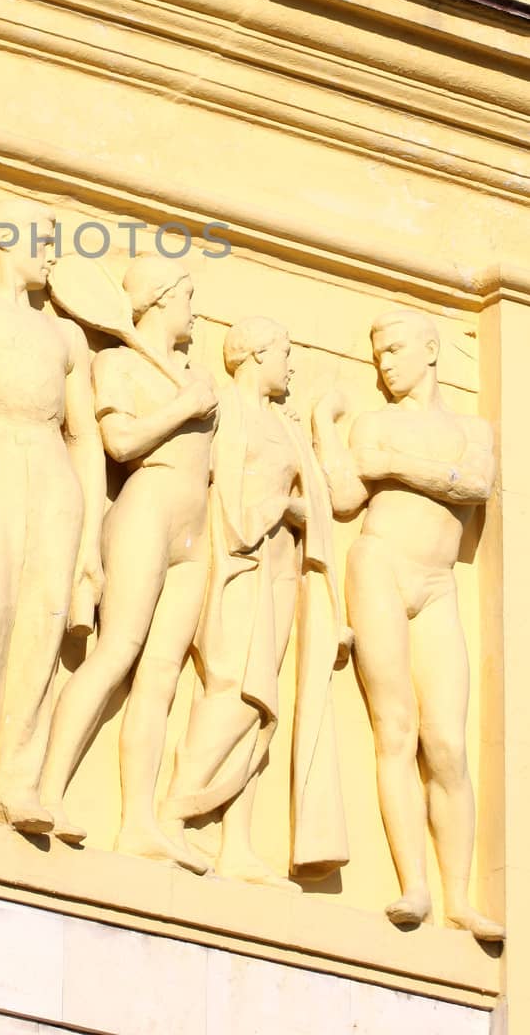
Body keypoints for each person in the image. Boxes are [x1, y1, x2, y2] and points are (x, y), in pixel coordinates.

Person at [313, 308, 503, 938]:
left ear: (430, 348)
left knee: (446, 743)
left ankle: (459, 896)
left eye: (394, 350)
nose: (385, 365)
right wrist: (325, 433)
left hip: (437, 582)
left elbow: (474, 484)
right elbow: (345, 497)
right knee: (395, 729)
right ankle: (414, 885)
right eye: (377, 357)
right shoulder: (374, 423)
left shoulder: (471, 429)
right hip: (380, 568)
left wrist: (395, 465)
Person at [39, 256, 216, 865]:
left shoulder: (183, 369)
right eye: (188, 294)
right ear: (163, 299)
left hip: (197, 528)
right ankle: (48, 789)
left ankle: (140, 821)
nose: (195, 308)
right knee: (117, 653)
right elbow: (120, 442)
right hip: (148, 508)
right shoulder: (118, 362)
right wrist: (184, 408)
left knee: (161, 676)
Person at [0, 197, 106, 833]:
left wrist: (90, 541)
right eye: (45, 237)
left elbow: (85, 437)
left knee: (44, 617)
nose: (54, 252)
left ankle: (18, 779)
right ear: (4, 238)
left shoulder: (64, 335)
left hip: (53, 476)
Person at [162, 317, 348, 885]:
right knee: (233, 692)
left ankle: (237, 844)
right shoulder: (228, 412)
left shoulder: (283, 424)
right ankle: (174, 808)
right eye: (284, 353)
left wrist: (320, 428)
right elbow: (224, 495)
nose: (290, 365)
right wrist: (282, 509)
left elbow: (329, 497)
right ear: (254, 354)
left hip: (280, 567)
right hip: (236, 562)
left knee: (262, 701)